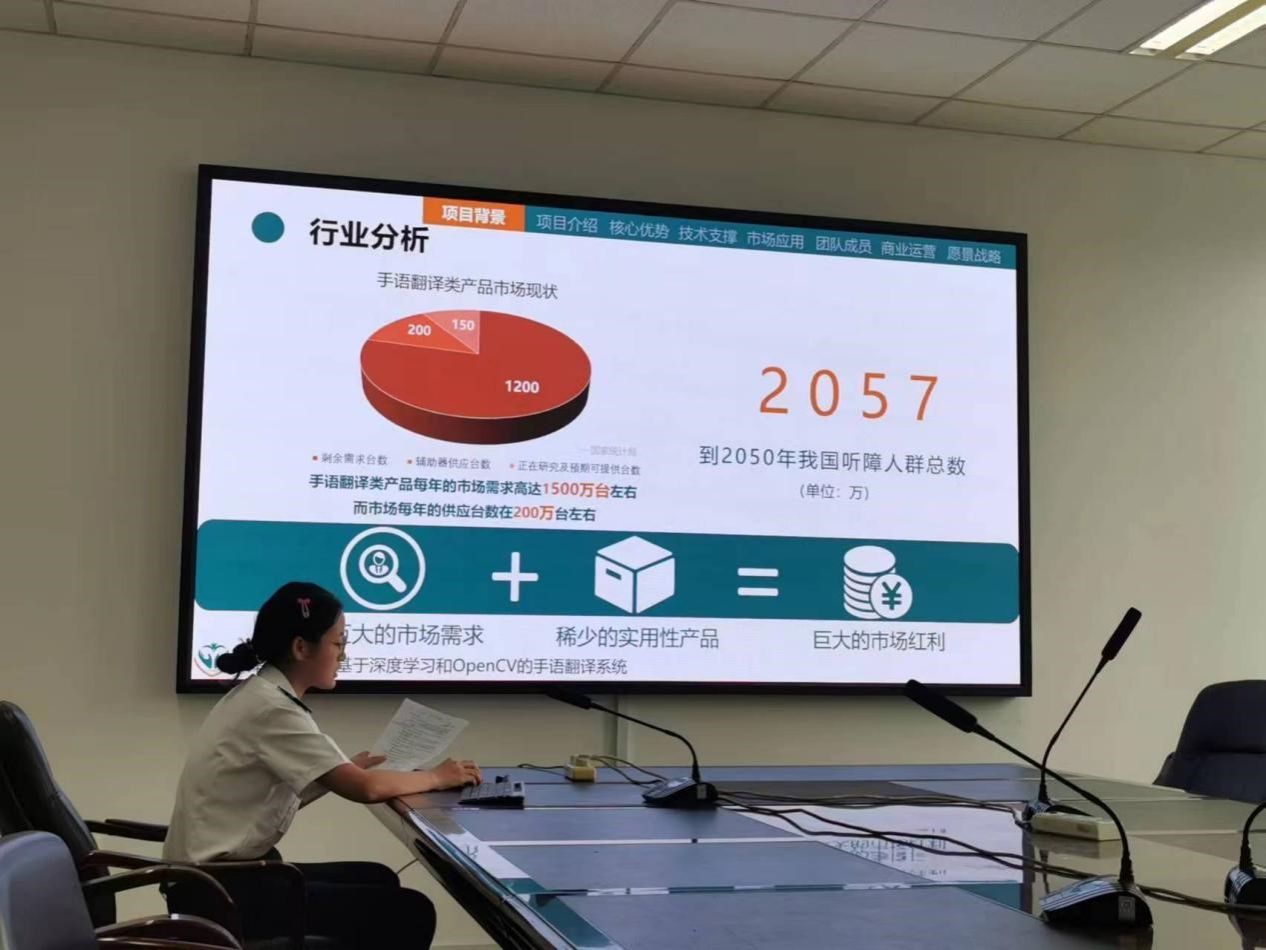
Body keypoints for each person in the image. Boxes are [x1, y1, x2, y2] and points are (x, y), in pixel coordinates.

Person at [163, 581, 481, 947]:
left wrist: (341, 769)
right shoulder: (272, 709)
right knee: (411, 911)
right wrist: (438, 777)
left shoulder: (260, 694)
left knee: (378, 878)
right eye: (338, 643)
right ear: (301, 647)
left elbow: (266, 793)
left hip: (216, 880)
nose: (343, 655)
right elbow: (365, 789)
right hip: (221, 893)